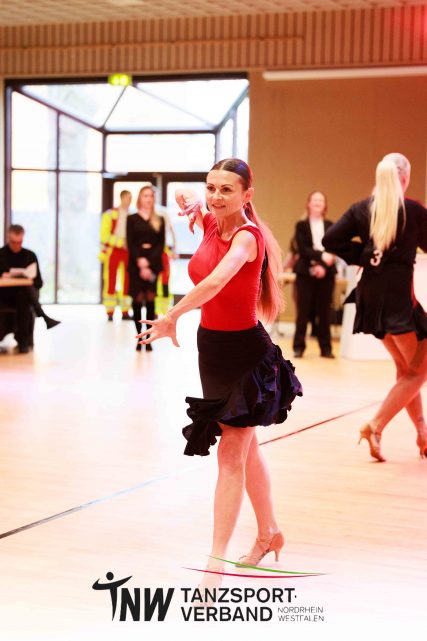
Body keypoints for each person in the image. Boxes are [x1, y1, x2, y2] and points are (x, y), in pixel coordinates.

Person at [136, 159, 302, 591]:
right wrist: (193, 202)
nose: (216, 196)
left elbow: (213, 283)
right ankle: (269, 532)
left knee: (231, 453)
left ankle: (215, 564)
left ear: (248, 195)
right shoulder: (212, 221)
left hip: (247, 356)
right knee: (246, 449)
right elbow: (185, 196)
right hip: (210, 351)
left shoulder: (248, 237)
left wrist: (172, 315)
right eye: (211, 187)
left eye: (227, 190)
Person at [323, 153, 427, 461]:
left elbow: (331, 239)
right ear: (404, 178)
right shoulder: (412, 210)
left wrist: (365, 255)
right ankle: (375, 426)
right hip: (398, 300)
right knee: (419, 370)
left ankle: (423, 434)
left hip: (369, 297)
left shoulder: (362, 208)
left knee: (406, 370)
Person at [0, 224, 60, 353]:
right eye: (13, 242)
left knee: (23, 295)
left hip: (23, 297)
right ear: (8, 238)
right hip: (4, 294)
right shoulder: (1, 255)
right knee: (25, 294)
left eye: (19, 242)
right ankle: (43, 316)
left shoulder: (29, 256)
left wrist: (27, 279)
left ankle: (23, 342)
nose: (16, 246)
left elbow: (39, 282)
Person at [292, 191, 337, 358]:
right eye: (314, 200)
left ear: (325, 206)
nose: (318, 202)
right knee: (303, 311)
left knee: (324, 311)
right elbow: (303, 248)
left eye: (321, 200)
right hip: (305, 272)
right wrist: (321, 256)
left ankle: (326, 348)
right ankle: (299, 347)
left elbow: (334, 247)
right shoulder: (301, 225)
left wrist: (323, 266)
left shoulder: (331, 225)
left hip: (327, 273)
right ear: (309, 204)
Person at [127, 185, 165, 352]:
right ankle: (139, 337)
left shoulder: (159, 219)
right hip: (136, 264)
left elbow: (160, 245)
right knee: (137, 300)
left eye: (151, 196)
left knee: (150, 300)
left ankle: (149, 339)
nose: (148, 199)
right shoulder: (131, 219)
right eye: (145, 196)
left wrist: (148, 264)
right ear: (140, 198)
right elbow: (130, 243)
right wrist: (140, 261)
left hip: (153, 264)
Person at [99, 190, 132, 321]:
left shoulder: (132, 215)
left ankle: (125, 311)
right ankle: (110, 312)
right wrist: (119, 242)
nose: (129, 201)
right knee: (110, 280)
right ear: (122, 198)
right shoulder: (109, 214)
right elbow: (104, 236)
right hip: (113, 251)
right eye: (128, 198)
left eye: (131, 198)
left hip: (127, 252)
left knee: (127, 282)